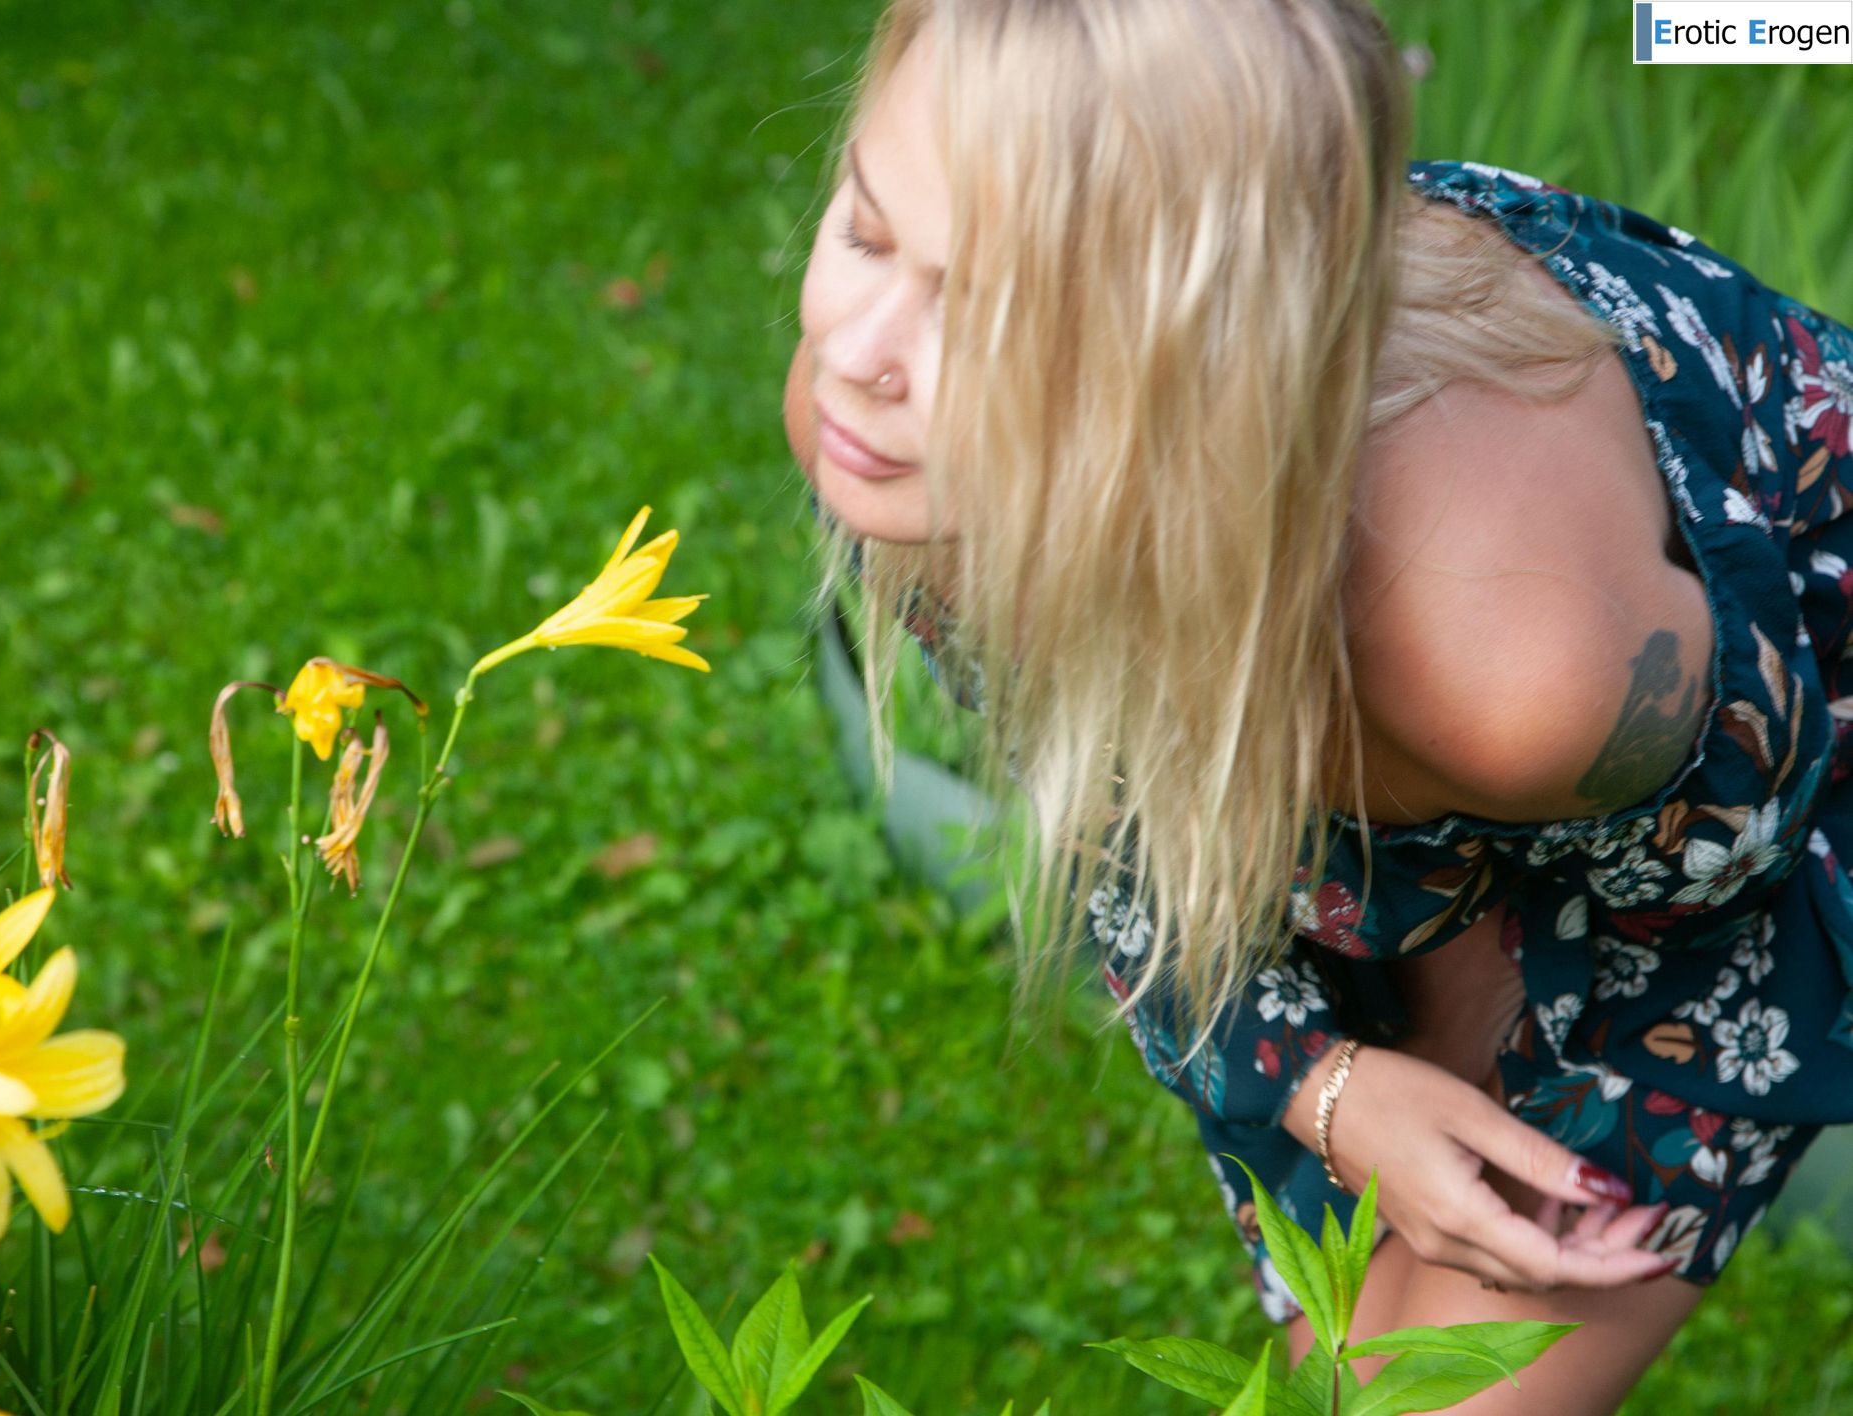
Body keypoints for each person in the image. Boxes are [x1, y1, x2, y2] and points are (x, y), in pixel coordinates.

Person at [777, 1, 1853, 1411]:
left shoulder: (1514, 667)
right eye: (866, 230)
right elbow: (1117, 800)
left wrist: (1448, 1013)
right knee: (1361, 1366)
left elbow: (1737, 875)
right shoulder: (896, 444)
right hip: (1409, 776)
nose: (862, 353)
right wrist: (1320, 1081)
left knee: (1418, 1391)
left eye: (991, 315)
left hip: (1735, 813)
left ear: (1206, 366)